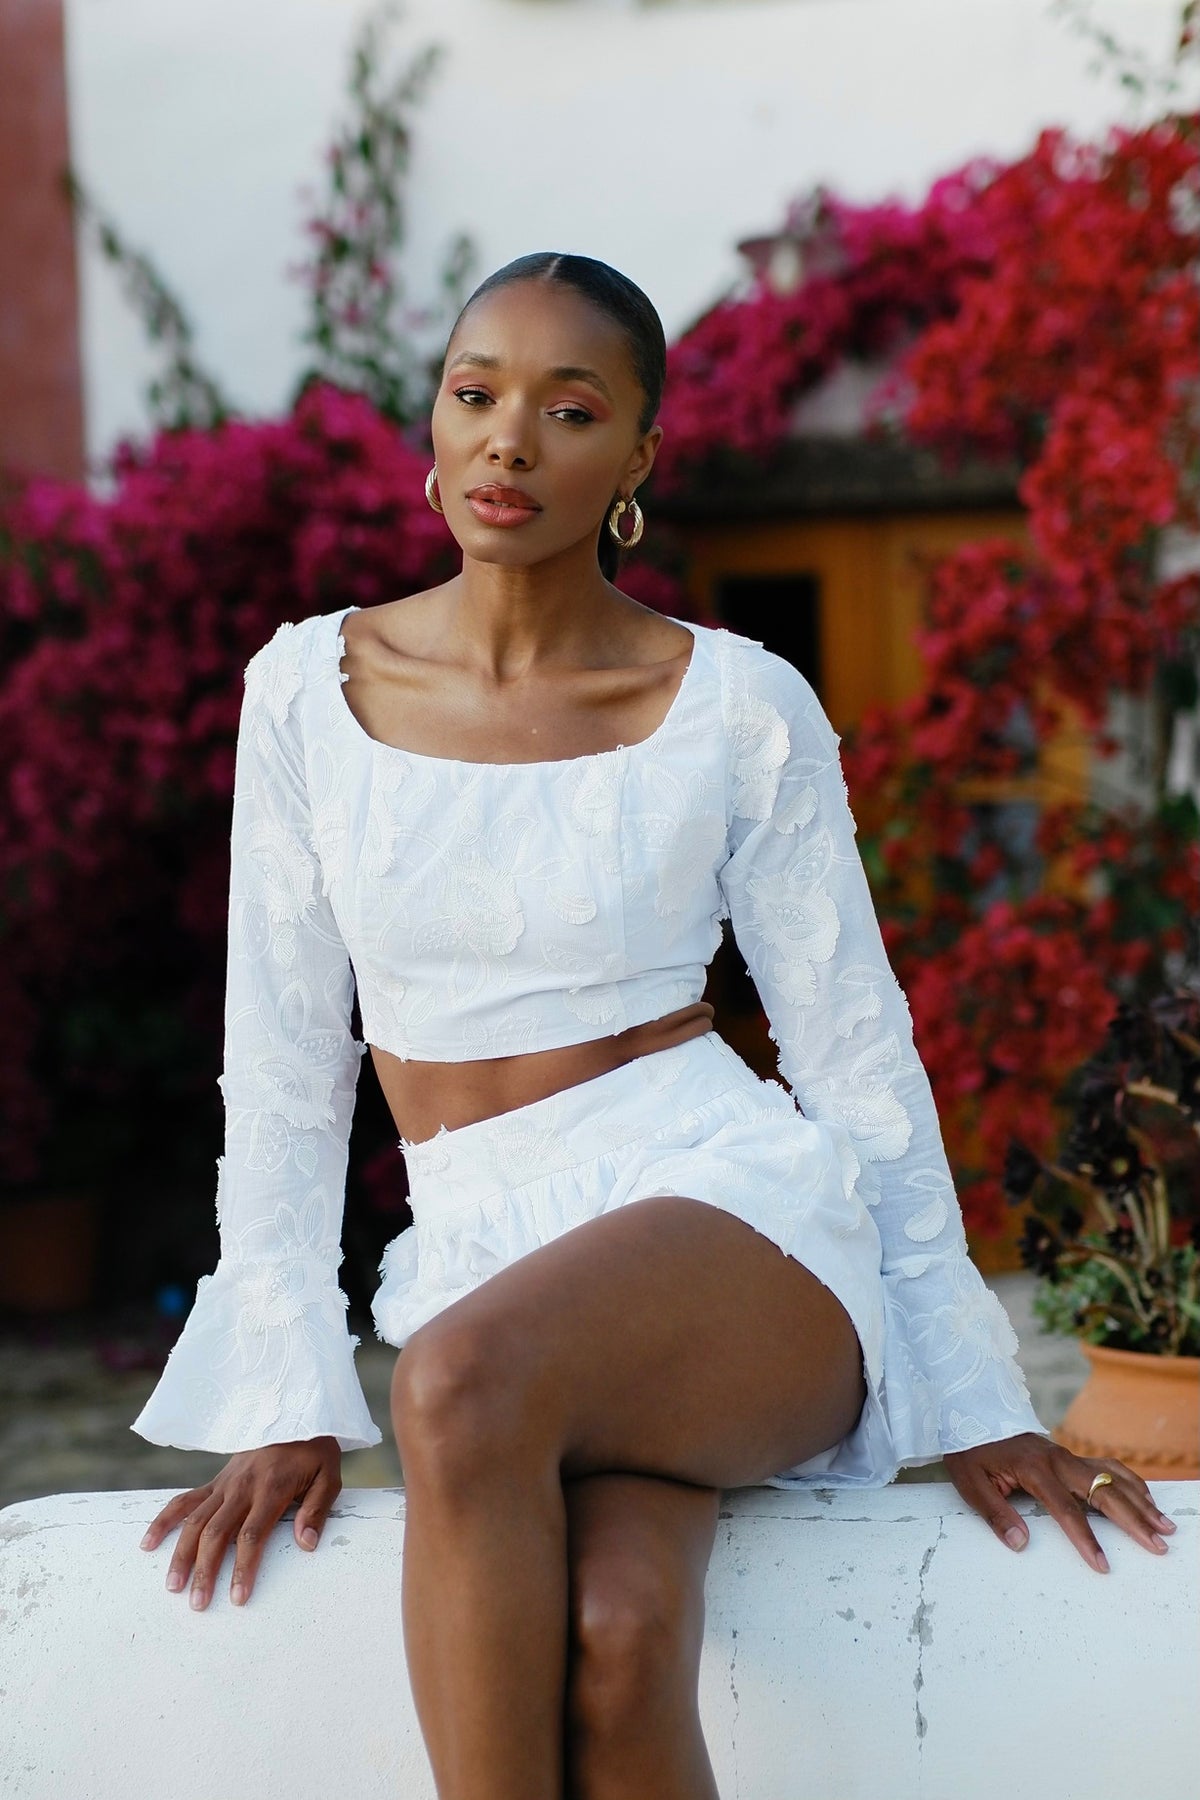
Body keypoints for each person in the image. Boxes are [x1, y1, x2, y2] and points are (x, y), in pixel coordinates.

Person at [134, 252, 1175, 1800]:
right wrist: (282, 1396)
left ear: (636, 460)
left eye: (568, 410)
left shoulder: (733, 705)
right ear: (433, 422)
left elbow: (851, 1053)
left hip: (726, 1214)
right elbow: (284, 1063)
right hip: (488, 1250)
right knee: (617, 1640)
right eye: (476, 394)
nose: (508, 441)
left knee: (454, 1389)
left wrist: (970, 1394)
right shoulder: (306, 694)